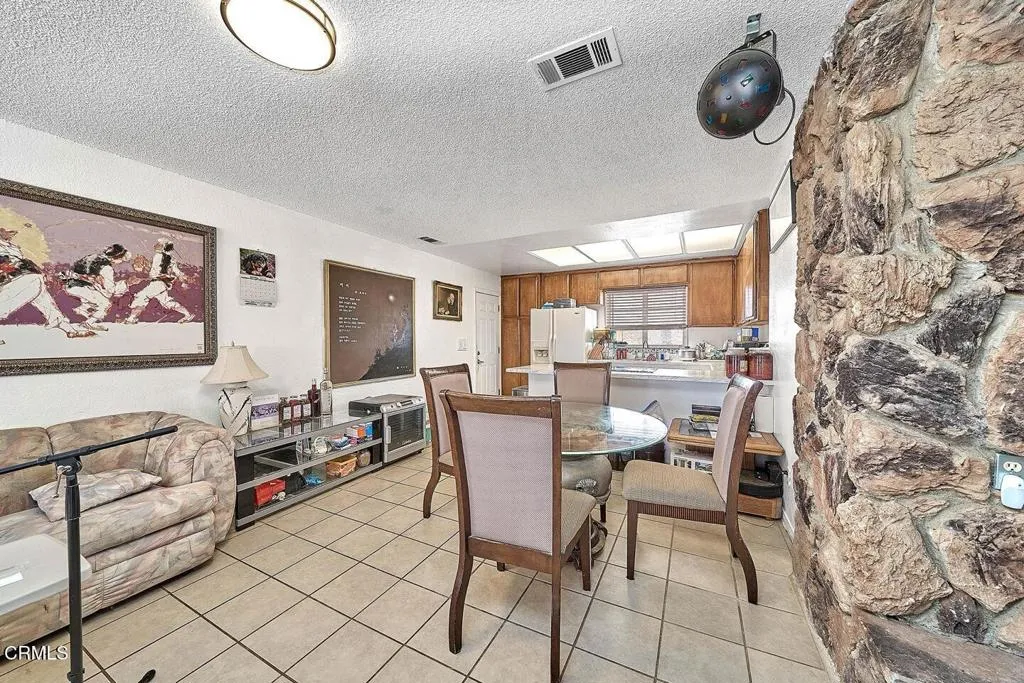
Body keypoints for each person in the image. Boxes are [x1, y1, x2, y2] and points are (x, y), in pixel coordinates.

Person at [0, 226, 94, 339]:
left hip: (20, 279)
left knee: (41, 292)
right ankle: (66, 327)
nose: (11, 235)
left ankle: (68, 328)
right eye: (7, 232)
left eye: (12, 232)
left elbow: (22, 263)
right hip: (7, 283)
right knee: (36, 282)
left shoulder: (13, 247)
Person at [60, 244, 131, 331]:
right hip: (81, 287)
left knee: (93, 301)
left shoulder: (92, 256)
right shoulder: (106, 268)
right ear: (115, 257)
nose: (121, 261)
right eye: (121, 259)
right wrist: (125, 284)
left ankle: (78, 311)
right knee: (105, 304)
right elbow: (110, 290)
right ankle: (89, 323)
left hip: (70, 284)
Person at [125, 239, 194, 324]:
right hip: (163, 284)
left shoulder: (158, 256)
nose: (157, 246)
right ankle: (187, 314)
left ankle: (131, 319)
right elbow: (177, 272)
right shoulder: (171, 259)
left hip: (157, 283)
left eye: (159, 244)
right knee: (167, 302)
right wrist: (184, 276)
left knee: (141, 297)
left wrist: (144, 271)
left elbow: (154, 273)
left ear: (163, 247)